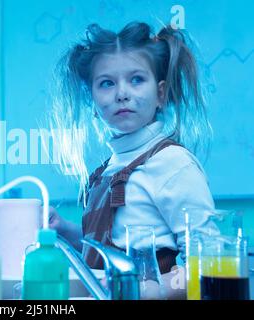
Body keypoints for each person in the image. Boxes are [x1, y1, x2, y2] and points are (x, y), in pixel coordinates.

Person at [48, 21, 215, 299]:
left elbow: (207, 265)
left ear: (161, 93)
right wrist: (64, 229)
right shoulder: (108, 169)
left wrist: (150, 291)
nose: (122, 93)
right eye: (106, 83)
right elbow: (106, 251)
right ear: (92, 100)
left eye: (136, 79)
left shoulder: (173, 164)